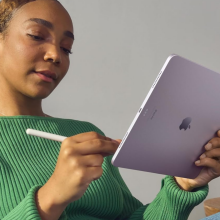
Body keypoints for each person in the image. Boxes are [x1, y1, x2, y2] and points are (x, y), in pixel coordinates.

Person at [0, 0, 219, 219]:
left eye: (66, 48)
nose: (55, 55)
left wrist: (183, 184)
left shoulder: (83, 134)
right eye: (37, 36)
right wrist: (50, 197)